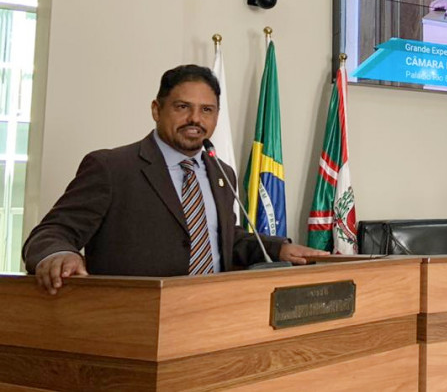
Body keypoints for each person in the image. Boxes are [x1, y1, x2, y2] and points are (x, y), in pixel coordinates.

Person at [22, 65, 328, 295]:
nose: (195, 119)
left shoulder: (222, 172)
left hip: (213, 314)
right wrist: (60, 255)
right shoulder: (111, 167)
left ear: (216, 117)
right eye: (183, 107)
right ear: (157, 109)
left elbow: (221, 239)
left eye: (206, 110)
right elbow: (51, 232)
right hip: (134, 322)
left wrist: (277, 249)